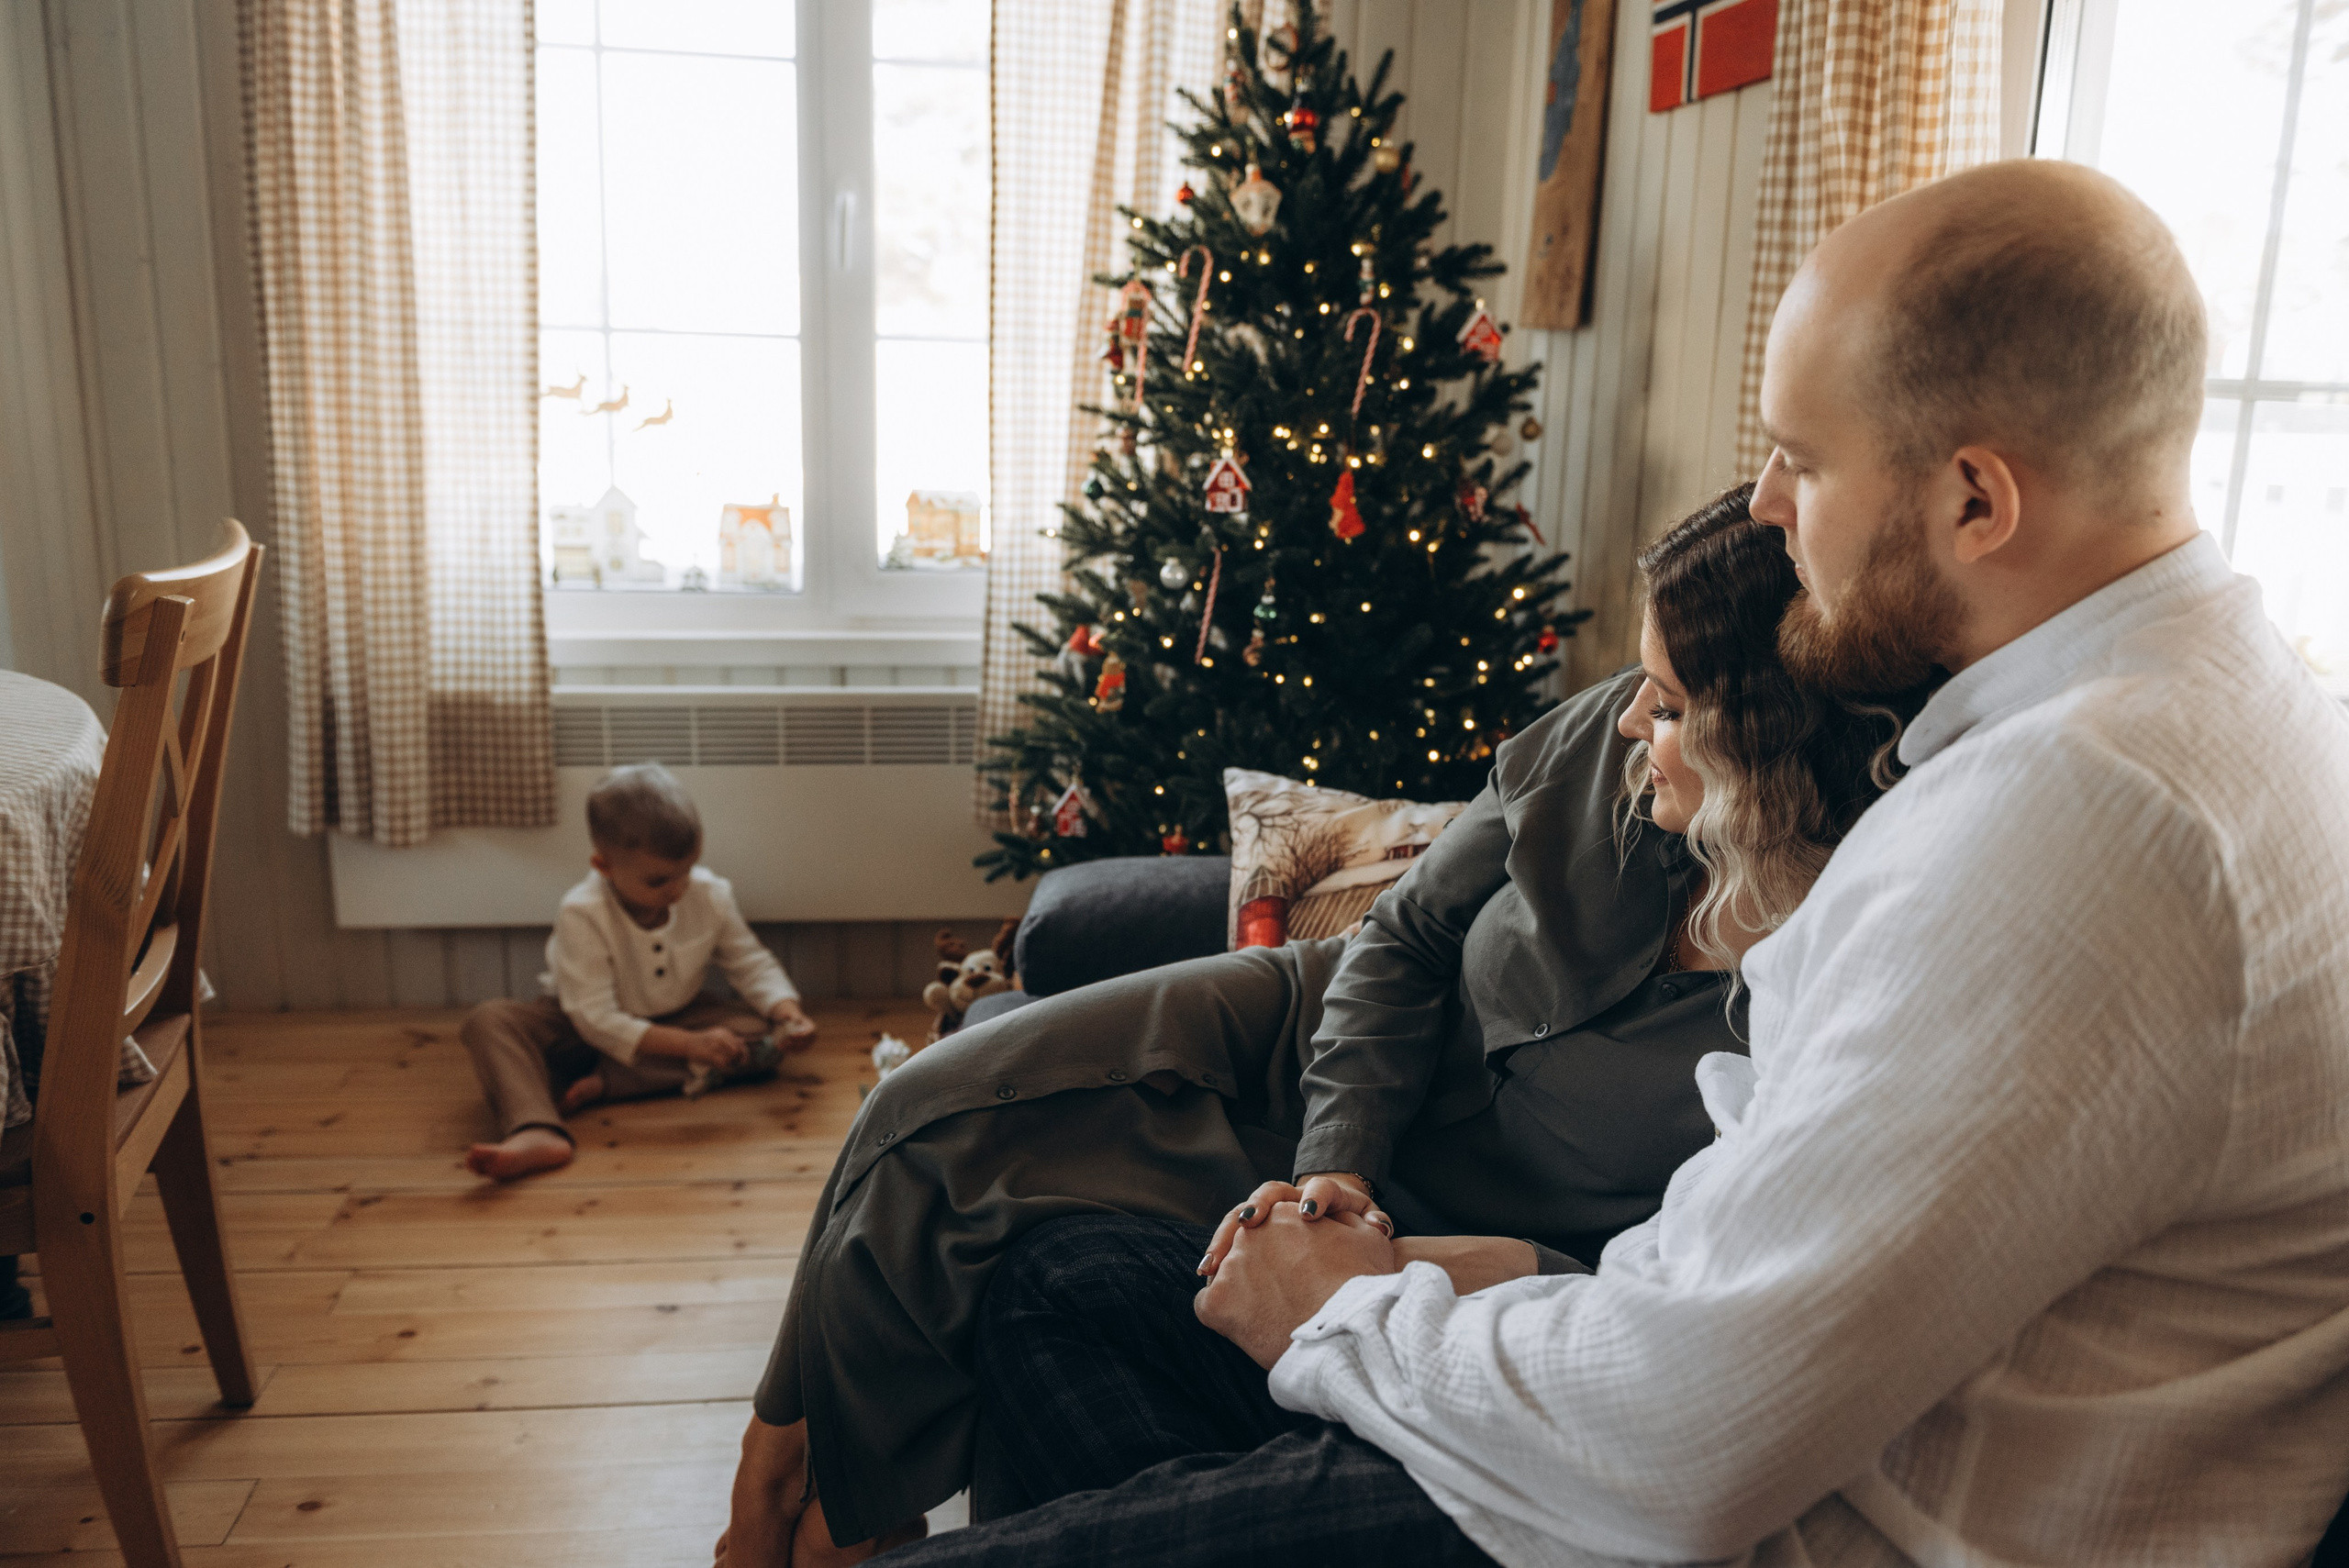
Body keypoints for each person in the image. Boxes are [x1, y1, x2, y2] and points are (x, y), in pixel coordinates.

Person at [858, 157, 2349, 1568]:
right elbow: (1746, 1280)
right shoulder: (2195, 713)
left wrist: (1352, 1313)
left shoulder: (2077, 823)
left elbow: (1678, 1435)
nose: (1765, 506)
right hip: (1708, 1427)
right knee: (1069, 1287)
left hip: (1735, 1516)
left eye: (1802, 460)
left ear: (1975, 499)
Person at [718, 485, 1920, 1565]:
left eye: (1663, 705)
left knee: (1012, 1237)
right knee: (925, 1110)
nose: (1622, 720)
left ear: (1755, 745)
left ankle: (843, 1526)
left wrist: (1377, 1247)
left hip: (1456, 1228)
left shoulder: (1837, 978)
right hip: (1320, 1037)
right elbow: (1401, 941)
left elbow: (1687, 1297)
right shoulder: (1606, 761)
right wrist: (1333, 1163)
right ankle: (768, 1497)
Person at [459, 762, 814, 1181]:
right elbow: (593, 1017)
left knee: (757, 1040)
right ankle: (535, 1128)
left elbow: (748, 961)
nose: (677, 889)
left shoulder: (710, 894)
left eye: (687, 870)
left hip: (678, 1016)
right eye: (659, 880)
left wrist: (786, 1012)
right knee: (490, 1022)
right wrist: (689, 1047)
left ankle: (607, 1083)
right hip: (578, 1026)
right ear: (603, 865)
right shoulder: (583, 912)